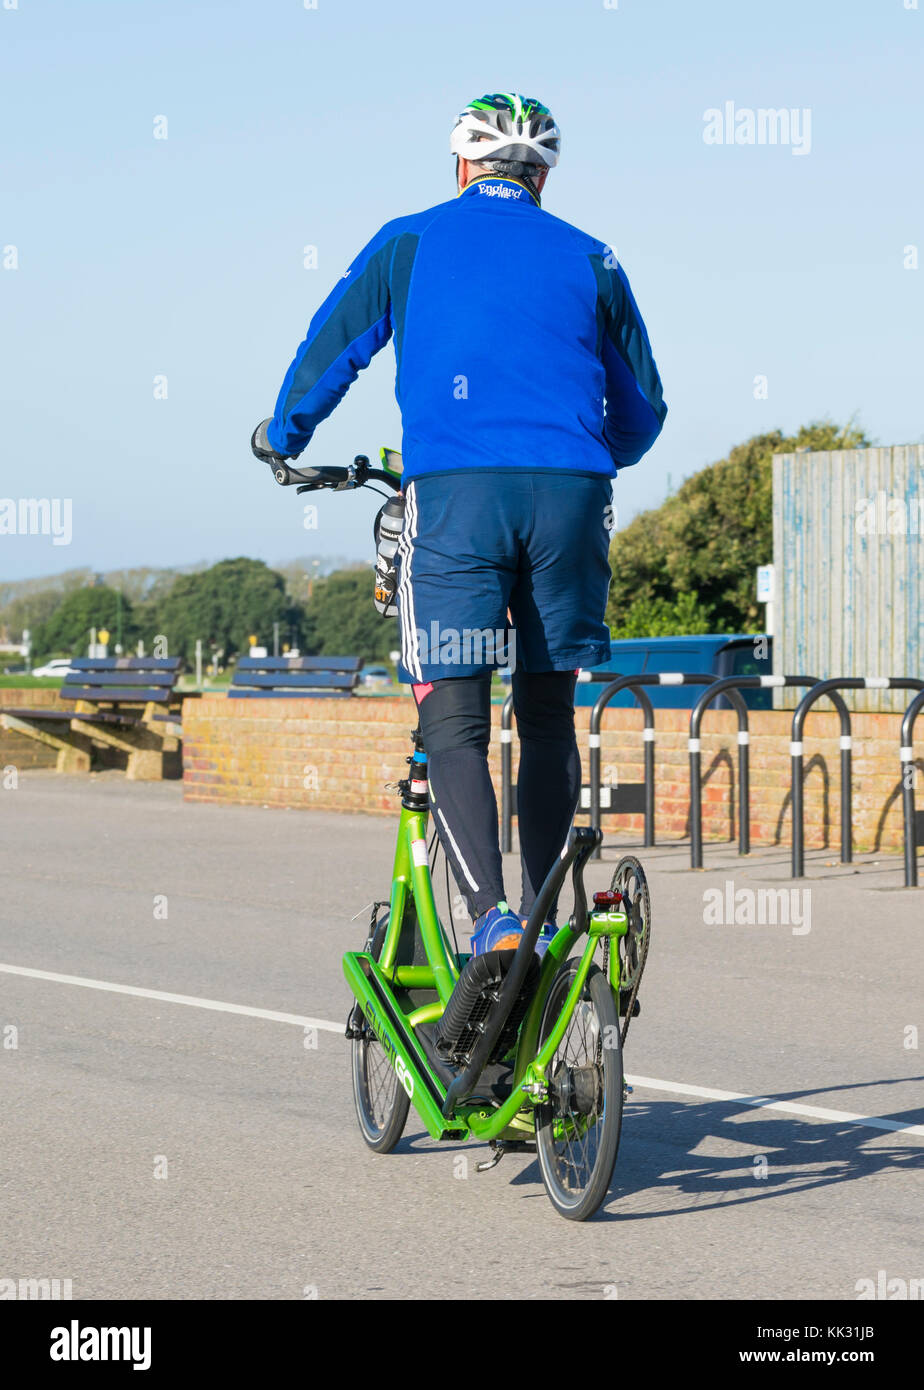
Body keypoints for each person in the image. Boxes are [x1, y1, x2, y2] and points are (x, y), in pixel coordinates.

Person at [252, 92, 666, 956]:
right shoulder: (593, 255)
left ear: (463, 165)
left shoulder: (411, 240)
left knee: (454, 714)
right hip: (571, 499)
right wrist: (588, 458)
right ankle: (551, 921)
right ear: (543, 175)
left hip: (460, 500)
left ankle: (491, 921)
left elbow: (336, 346)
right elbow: (643, 409)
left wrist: (282, 435)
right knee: (548, 715)